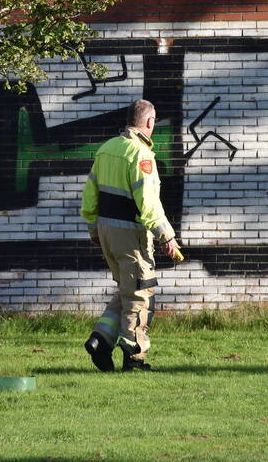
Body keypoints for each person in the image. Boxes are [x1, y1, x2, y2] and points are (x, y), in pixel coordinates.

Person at [80, 99, 181, 372]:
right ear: (149, 122)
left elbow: (90, 193)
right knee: (140, 294)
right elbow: (147, 202)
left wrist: (93, 228)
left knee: (127, 291)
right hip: (131, 235)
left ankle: (101, 339)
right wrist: (166, 236)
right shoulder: (141, 154)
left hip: (107, 232)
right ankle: (134, 358)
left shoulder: (107, 148)